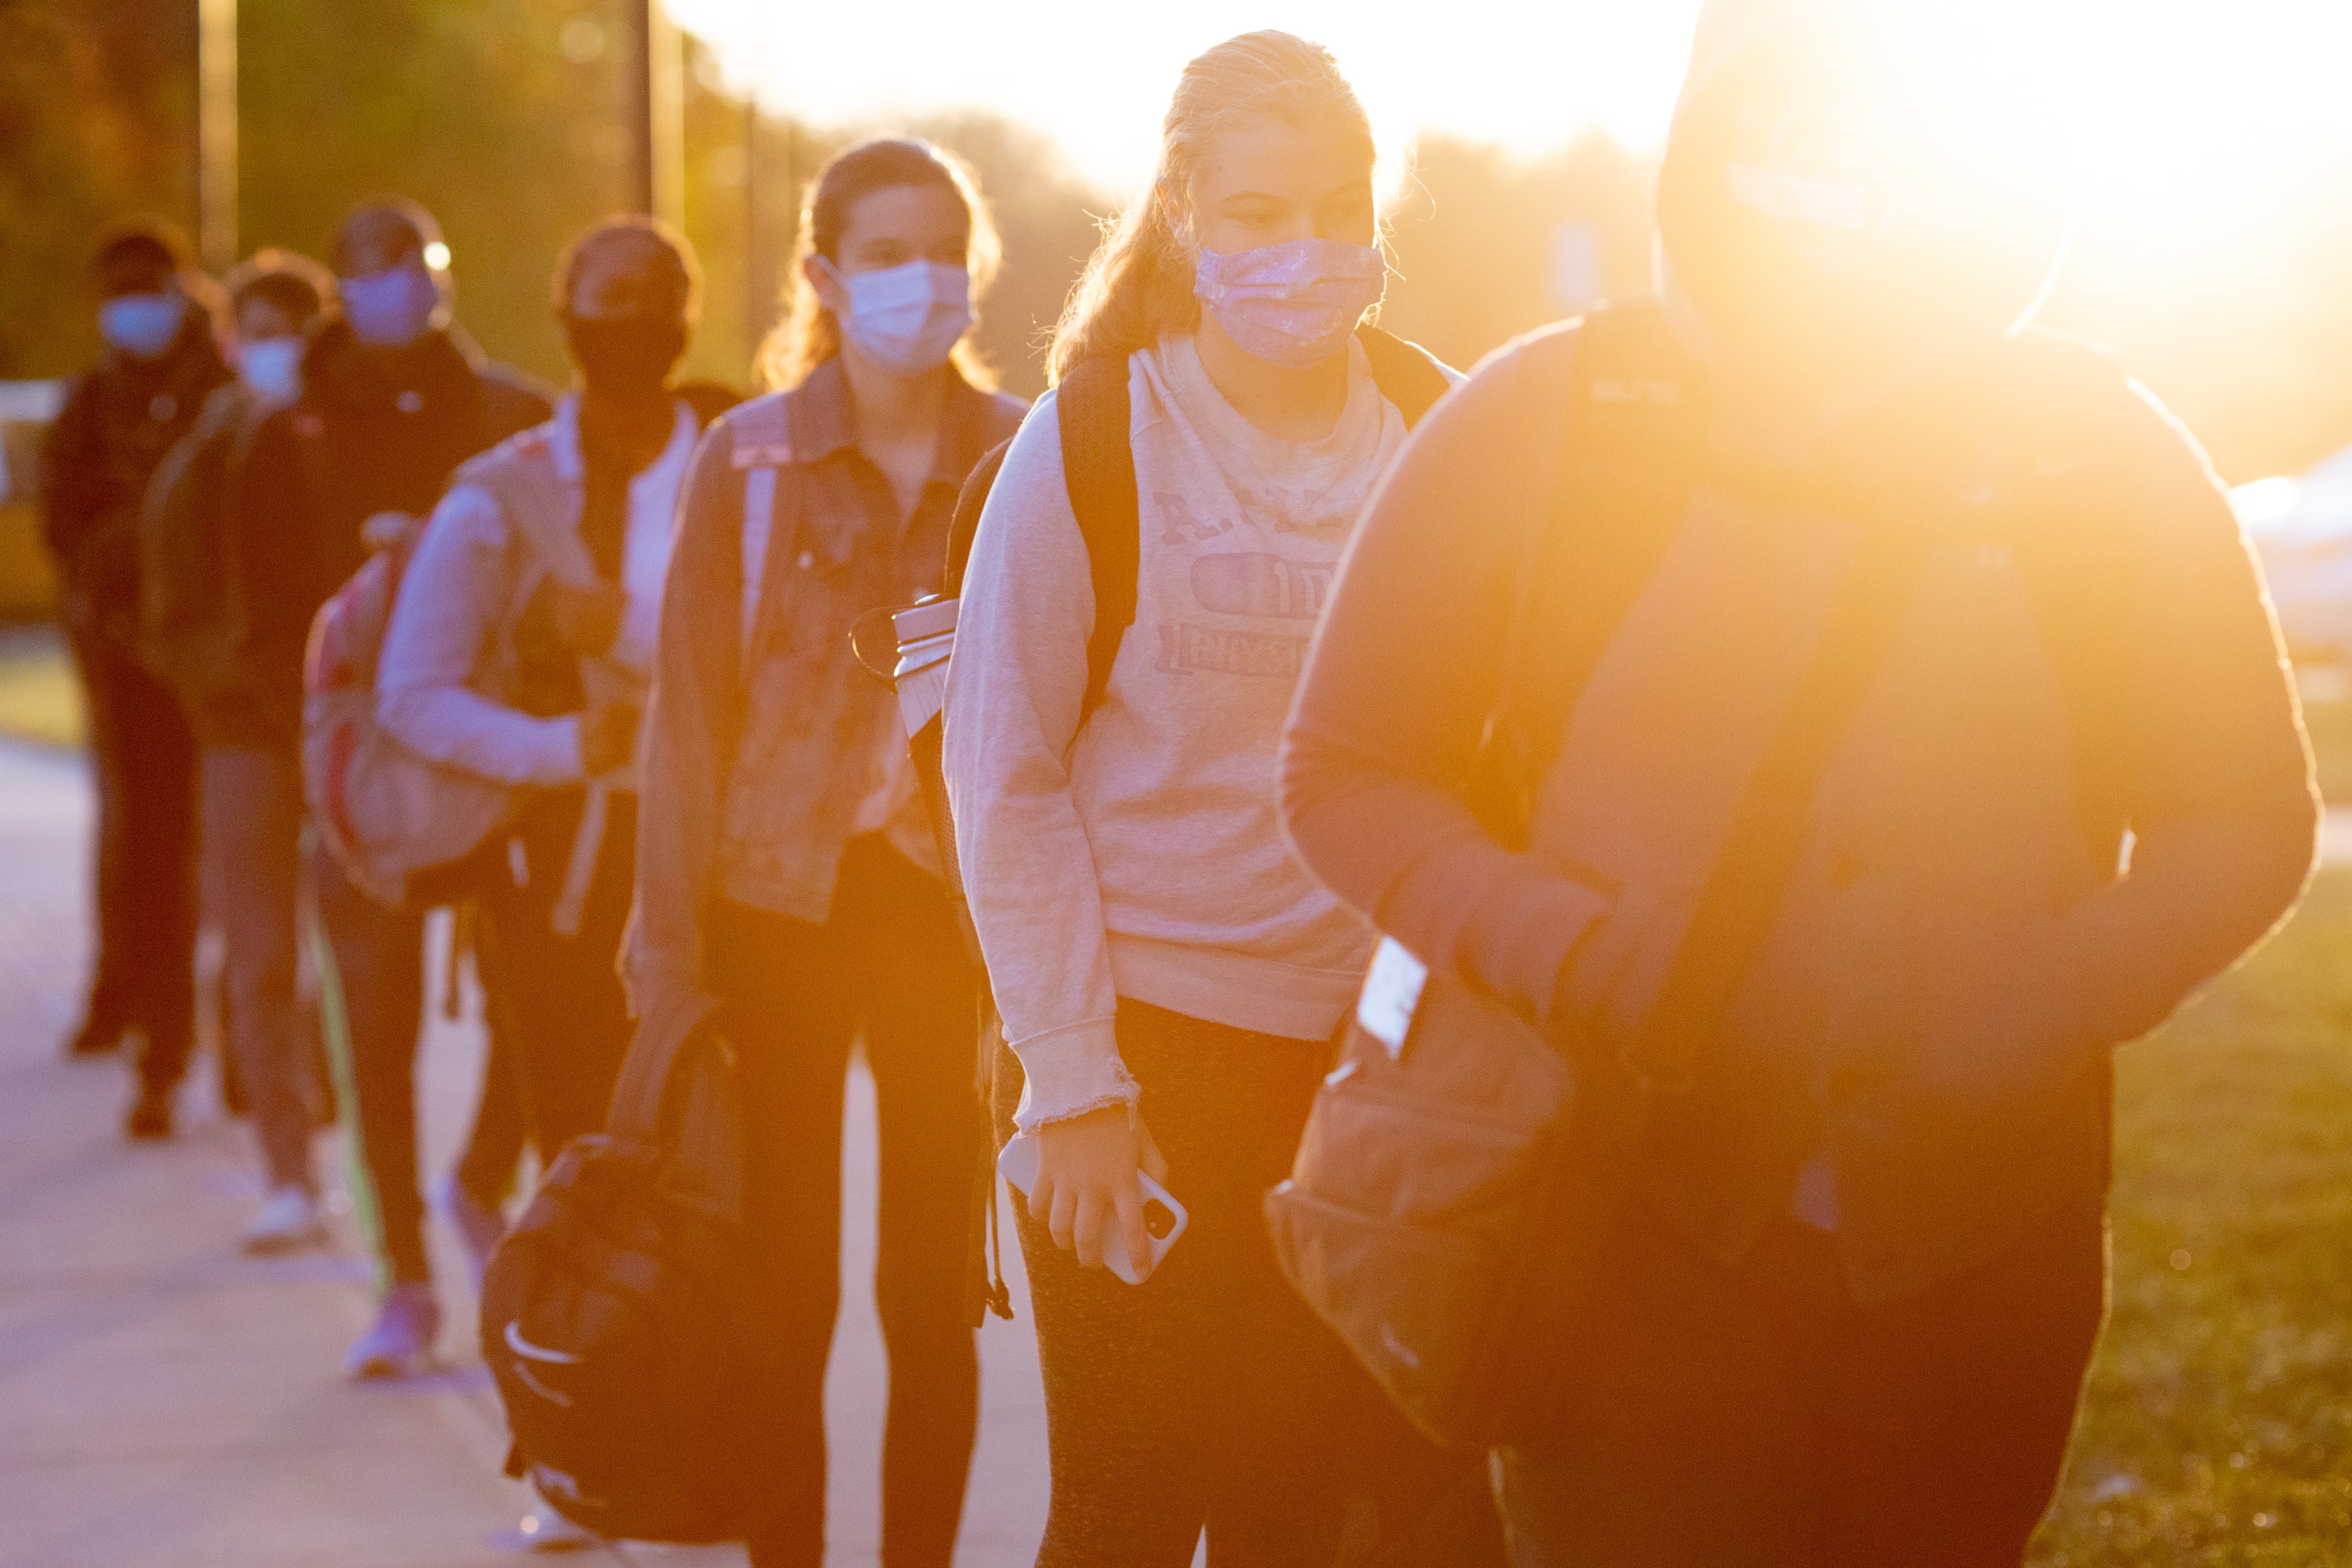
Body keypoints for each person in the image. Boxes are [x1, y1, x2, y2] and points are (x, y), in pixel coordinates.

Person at [1278, 4, 2320, 1564]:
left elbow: (2245, 818)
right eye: (1802, 120)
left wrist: (2048, 991)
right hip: (1617, 1232)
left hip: (1983, 1254)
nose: (1849, 169)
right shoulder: (1553, 421)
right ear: (1721, 125)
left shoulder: (2096, 458)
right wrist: (1568, 947)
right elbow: (1349, 769)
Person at [940, 33, 1480, 1565]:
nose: (1303, 250)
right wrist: (1077, 1086)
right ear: (1182, 210)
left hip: (1372, 1080)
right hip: (1148, 1068)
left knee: (1305, 1522)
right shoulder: (1100, 439)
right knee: (1123, 1515)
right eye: (1256, 213)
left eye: (1335, 206)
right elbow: (1005, 774)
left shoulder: (1443, 437)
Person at [632, 137, 1023, 1568]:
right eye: (883, 251)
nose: (919, 276)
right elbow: (684, 722)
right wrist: (663, 954)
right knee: (785, 1293)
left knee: (933, 1297)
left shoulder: (1026, 454)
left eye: (941, 246)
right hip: (774, 910)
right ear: (823, 274)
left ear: (973, 266)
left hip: (949, 919)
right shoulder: (748, 460)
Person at [232, 197, 551, 1353]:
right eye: (375, 272)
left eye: (419, 265)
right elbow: (263, 613)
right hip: (361, 788)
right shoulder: (289, 432)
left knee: (538, 1012)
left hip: (500, 767)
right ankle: (405, 1276)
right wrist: (327, 744)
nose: (402, 289)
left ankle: (480, 1176)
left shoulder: (511, 413)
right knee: (375, 1037)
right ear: (342, 287)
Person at [379, 214, 734, 1209]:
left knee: (715, 1158)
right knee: (586, 1155)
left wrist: (619, 628)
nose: (638, 319)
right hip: (556, 874)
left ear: (688, 317)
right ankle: (573, 1351)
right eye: (611, 297)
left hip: (720, 861)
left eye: (661, 298)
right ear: (565, 315)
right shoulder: (504, 496)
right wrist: (557, 746)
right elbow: (412, 693)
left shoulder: (744, 468)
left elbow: (779, 650)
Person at [139, 247, 335, 1245]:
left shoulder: (344, 441)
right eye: (259, 333)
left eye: (295, 330)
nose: (278, 351)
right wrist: (232, 686)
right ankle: (290, 1169)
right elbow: (167, 610)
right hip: (246, 739)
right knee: (263, 958)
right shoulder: (203, 462)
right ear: (230, 344)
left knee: (349, 964)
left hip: (345, 734)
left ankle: (351, 1146)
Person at [40, 217, 225, 1138]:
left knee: (238, 857)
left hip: (222, 668)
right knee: (148, 849)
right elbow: (62, 526)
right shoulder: (91, 401)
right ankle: (160, 1043)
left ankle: (257, 1053)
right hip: (132, 660)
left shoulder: (224, 393)